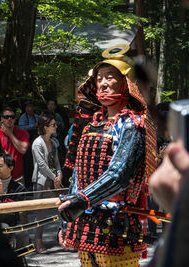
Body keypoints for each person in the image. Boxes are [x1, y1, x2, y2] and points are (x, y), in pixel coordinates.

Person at [57, 44, 156, 266]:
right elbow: (78, 177)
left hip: (117, 225)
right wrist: (67, 219)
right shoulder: (91, 125)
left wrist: (82, 200)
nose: (103, 83)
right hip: (85, 224)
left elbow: (119, 174)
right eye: (99, 78)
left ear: (126, 82)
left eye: (110, 77)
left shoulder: (132, 125)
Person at [31, 111, 62, 253]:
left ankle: (63, 236)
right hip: (41, 182)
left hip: (54, 181)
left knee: (63, 209)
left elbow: (57, 163)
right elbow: (42, 165)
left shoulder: (54, 142)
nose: (56, 127)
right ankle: (38, 242)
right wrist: (54, 177)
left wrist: (59, 175)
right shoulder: (37, 143)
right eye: (53, 125)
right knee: (41, 214)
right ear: (45, 127)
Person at [0, 153, 29, 249]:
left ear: (11, 168)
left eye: (1, 166)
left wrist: (1, 192)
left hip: (10, 221)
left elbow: (14, 209)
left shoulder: (19, 188)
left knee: (22, 232)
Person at [0, 107, 29, 182]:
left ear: (15, 119)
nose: (9, 119)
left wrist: (10, 134)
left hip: (18, 177)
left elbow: (23, 150)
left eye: (12, 117)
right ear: (2, 119)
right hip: (0, 178)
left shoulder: (22, 133)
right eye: (6, 117)